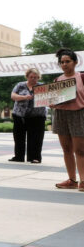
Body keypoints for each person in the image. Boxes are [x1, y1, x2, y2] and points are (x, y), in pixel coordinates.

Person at [50, 48, 84, 190]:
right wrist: (50, 102)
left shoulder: (81, 77)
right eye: (62, 62)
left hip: (78, 113)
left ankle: (83, 181)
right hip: (61, 115)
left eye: (67, 61)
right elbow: (53, 99)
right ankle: (72, 180)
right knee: (66, 149)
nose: (64, 64)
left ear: (75, 62)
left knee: (80, 150)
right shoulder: (57, 80)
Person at [9, 67, 46, 164]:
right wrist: (25, 97)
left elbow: (49, 98)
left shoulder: (42, 86)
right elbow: (13, 96)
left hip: (37, 116)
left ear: (38, 77)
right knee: (18, 137)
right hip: (19, 115)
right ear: (27, 76)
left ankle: (35, 157)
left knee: (36, 138)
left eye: (35, 77)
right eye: (31, 77)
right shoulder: (20, 85)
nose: (33, 79)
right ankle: (18, 156)